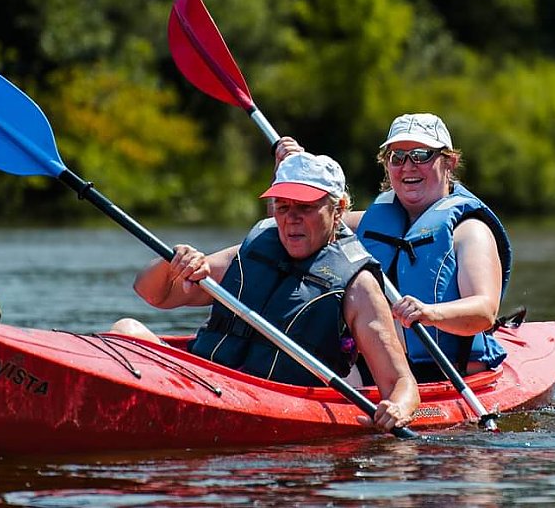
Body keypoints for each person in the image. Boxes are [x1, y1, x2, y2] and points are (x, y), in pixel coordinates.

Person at [111, 152, 419, 432]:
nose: (291, 218)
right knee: (127, 328)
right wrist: (174, 262)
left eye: (306, 207)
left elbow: (401, 382)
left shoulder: (359, 287)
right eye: (282, 207)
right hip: (203, 382)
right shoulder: (250, 254)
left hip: (272, 401)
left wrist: (398, 408)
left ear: (337, 210)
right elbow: (153, 293)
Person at [274, 113, 512, 382]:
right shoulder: (365, 223)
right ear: (387, 165)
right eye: (397, 157)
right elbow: (289, 225)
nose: (408, 166)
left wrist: (430, 313)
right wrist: (293, 176)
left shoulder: (470, 232)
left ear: (450, 162)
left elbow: (485, 312)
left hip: (444, 373)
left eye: (421, 155)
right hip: (376, 368)